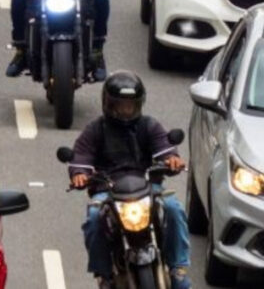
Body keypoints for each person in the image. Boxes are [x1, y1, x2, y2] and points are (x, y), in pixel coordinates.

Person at [68, 72, 192, 289]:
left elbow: (165, 148)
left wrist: (172, 160)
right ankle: (104, 275)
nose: (126, 110)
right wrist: (80, 173)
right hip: (108, 189)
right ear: (108, 103)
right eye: (120, 105)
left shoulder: (149, 126)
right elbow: (82, 157)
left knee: (173, 208)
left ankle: (178, 268)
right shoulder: (95, 130)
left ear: (139, 104)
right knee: (94, 217)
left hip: (147, 187)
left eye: (130, 105)